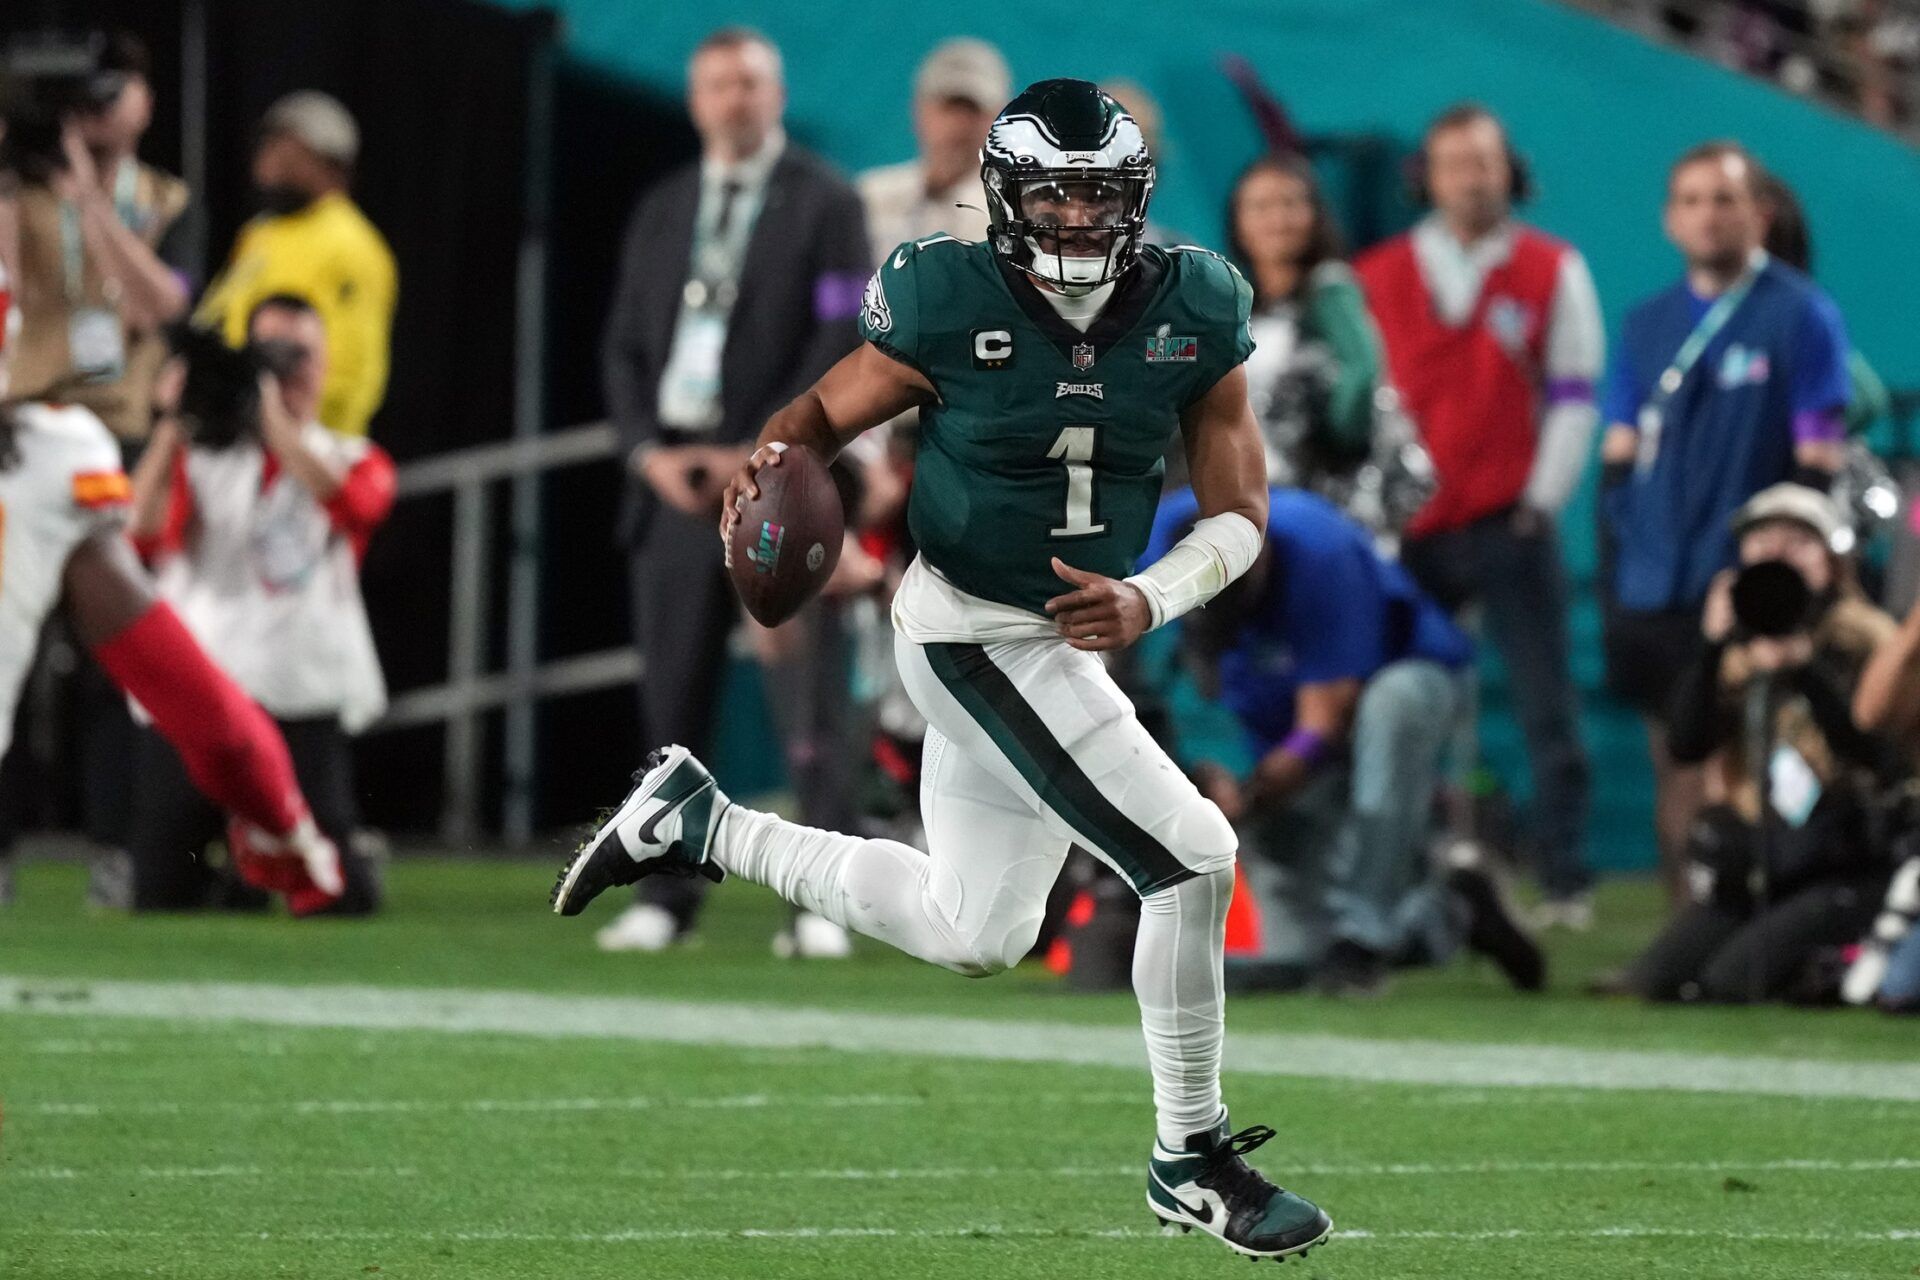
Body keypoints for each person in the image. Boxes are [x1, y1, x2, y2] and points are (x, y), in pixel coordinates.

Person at [555, 80, 1333, 1264]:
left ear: (1137, 201)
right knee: (1192, 858)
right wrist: (768, 482)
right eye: (1055, 195)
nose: (1077, 220)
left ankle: (702, 823)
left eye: (1099, 195)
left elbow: (1242, 510)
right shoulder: (943, 292)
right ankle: (1193, 1156)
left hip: (1056, 635)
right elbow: (813, 414)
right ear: (1005, 199)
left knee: (978, 928)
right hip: (973, 627)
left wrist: (1149, 594)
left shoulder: (1197, 303)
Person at [597, 27, 873, 957]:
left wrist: (756, 452)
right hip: (673, 487)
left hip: (778, 487)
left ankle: (820, 904)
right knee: (672, 702)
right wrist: (646, 454)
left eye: (750, 84)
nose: (735, 101)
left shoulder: (828, 201)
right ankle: (668, 899)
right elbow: (624, 347)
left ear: (778, 94)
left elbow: (838, 343)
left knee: (807, 703)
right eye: (718, 85)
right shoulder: (664, 205)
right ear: (695, 99)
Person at [0, 262, 342, 910]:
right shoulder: (49, 459)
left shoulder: (48, 464)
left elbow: (203, 708)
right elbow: (210, 717)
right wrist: (281, 822)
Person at [1355, 104, 1602, 926]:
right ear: (1430, 173)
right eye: (1455, 161)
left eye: (1484, 161)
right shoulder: (1380, 274)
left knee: (1546, 707)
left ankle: (1565, 880)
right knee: (1400, 703)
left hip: (1509, 520)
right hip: (1412, 530)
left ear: (1509, 169)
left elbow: (1573, 395)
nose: (1471, 176)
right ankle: (1405, 874)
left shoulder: (1550, 267)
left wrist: (1542, 500)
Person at [1151, 486, 1542, 997]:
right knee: (1298, 955)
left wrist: (1252, 790)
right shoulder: (1154, 541)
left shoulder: (1319, 551)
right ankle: (1449, 918)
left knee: (1391, 708)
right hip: (1272, 705)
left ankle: (1366, 936)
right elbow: (1159, 687)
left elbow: (1323, 723)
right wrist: (1206, 775)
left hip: (1395, 677)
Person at [1599, 140, 1852, 906]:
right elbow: (1618, 458)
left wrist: (1774, 577)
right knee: (1674, 760)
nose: (1710, 216)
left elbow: (1818, 462)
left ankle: (1757, 934)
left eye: (1726, 199)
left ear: (1760, 214)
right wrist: (1618, 572)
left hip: (1744, 583)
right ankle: (1686, 929)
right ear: (1671, 219)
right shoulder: (1645, 326)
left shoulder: (1801, 314)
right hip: (1653, 583)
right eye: (1693, 200)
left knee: (1747, 766)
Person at [127, 295, 391, 913]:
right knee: (162, 891)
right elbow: (137, 532)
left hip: (298, 690)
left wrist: (273, 421)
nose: (288, 369)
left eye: (301, 353)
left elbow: (354, 503)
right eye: (270, 355)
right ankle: (241, 875)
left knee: (339, 895)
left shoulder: (351, 454)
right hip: (201, 688)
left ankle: (281, 859)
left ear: (326, 363)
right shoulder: (200, 460)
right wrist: (175, 420)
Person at [1621, 485, 1895, 1003]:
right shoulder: (1743, 646)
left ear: (1832, 560)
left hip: (1842, 859)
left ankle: (1848, 962)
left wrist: (1806, 672)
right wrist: (1711, 646)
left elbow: (1879, 757)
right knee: (1658, 980)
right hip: (1764, 859)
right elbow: (1686, 744)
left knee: (1728, 984)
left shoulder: (1864, 636)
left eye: (1796, 541)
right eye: (1762, 541)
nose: (1775, 553)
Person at [2, 30, 192, 440]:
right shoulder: (19, 199)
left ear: (147, 103)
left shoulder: (167, 201)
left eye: (113, 90)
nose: (95, 105)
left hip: (124, 421)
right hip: (31, 417)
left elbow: (166, 307)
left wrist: (91, 201)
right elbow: (7, 292)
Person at [194, 92, 396, 438]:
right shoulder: (260, 233)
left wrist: (305, 433)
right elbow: (217, 316)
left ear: (329, 162)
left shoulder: (351, 243)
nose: (269, 155)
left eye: (285, 145)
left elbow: (354, 371)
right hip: (234, 436)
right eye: (268, 143)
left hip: (303, 444)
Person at [1224, 154, 1385, 500]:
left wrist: (1335, 447)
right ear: (1238, 221)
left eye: (1290, 204)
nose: (1277, 220)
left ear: (1315, 214)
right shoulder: (1237, 305)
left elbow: (1361, 370)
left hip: (1316, 493)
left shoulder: (1330, 290)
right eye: (1261, 207)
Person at [858, 38, 1008, 260]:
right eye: (948, 108)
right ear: (919, 111)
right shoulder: (870, 198)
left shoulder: (1012, 210)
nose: (959, 125)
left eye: (972, 111)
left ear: (999, 120)